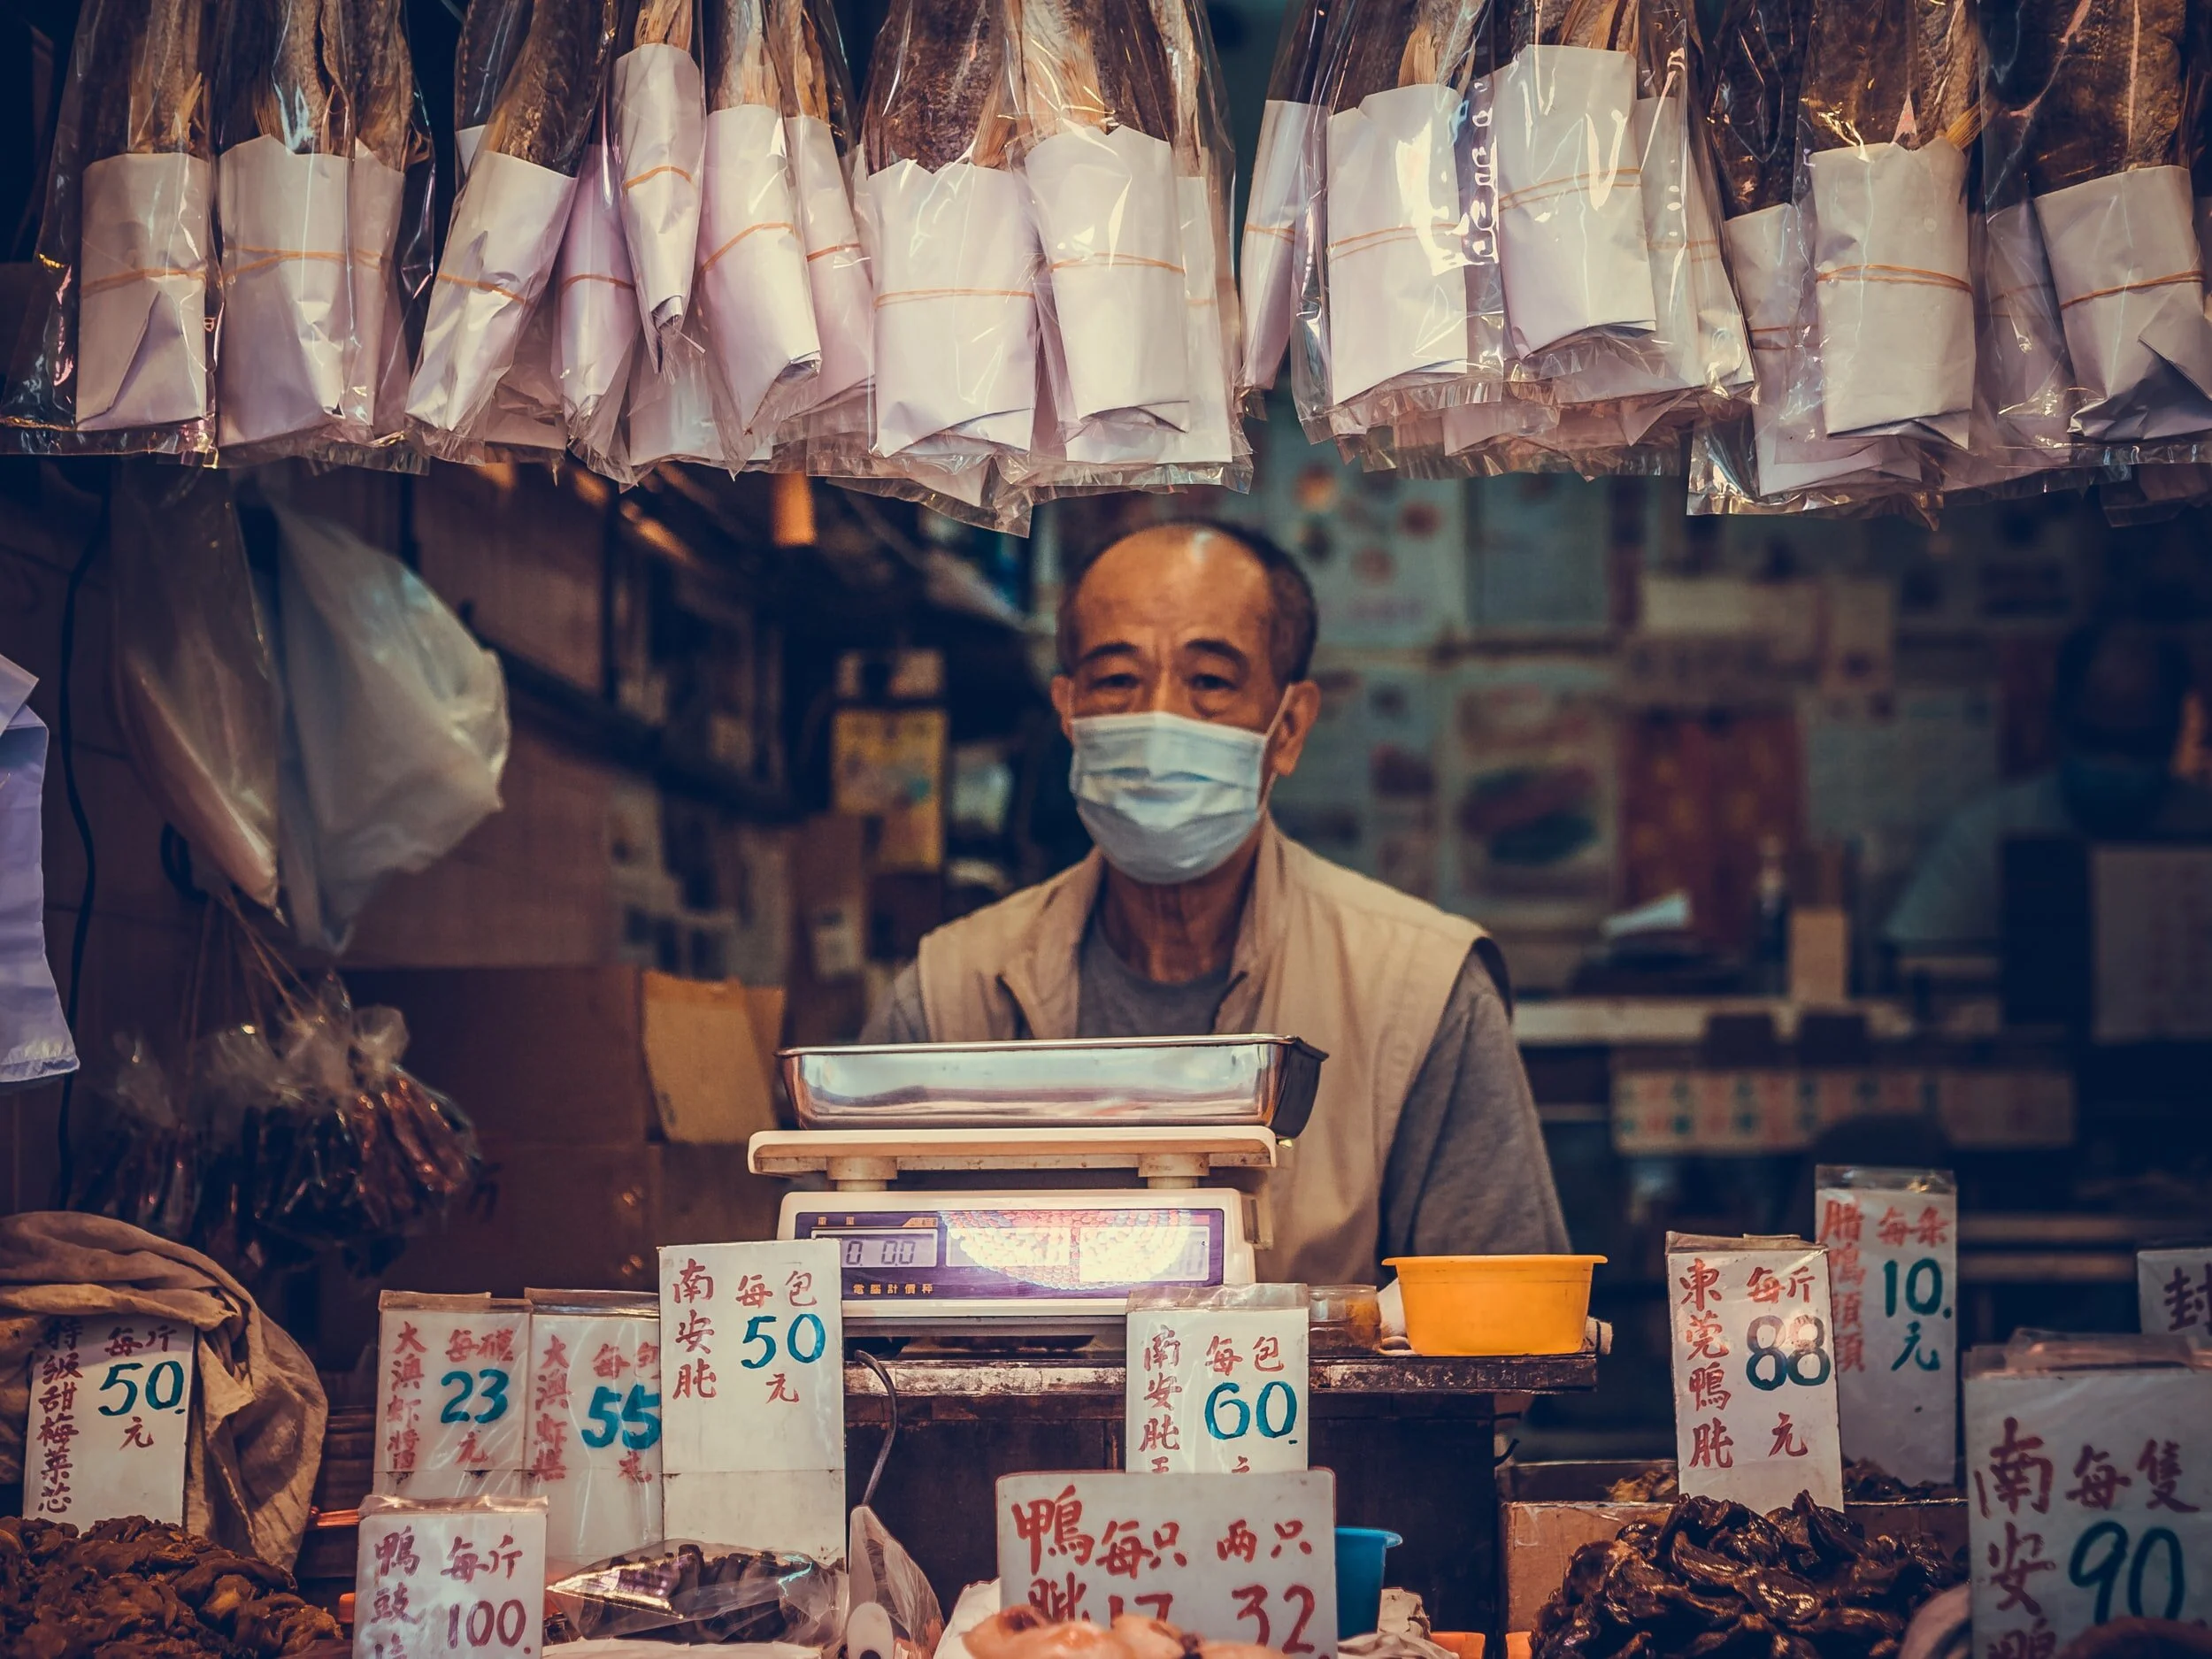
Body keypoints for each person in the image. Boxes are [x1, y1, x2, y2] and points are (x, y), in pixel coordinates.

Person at [861, 518, 1570, 1285]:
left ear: (1288, 727)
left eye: (1209, 682)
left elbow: (1504, 1339)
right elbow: (839, 1303)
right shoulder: (949, 991)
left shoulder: (1422, 992)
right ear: (1069, 714)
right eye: (1116, 681)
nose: (1159, 718)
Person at [1886, 622, 2212, 954]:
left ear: (2174, 732)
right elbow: (1916, 960)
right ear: (2059, 720)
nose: (2117, 763)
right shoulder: (1988, 834)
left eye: (2140, 745)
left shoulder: (2203, 825)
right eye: (2096, 740)